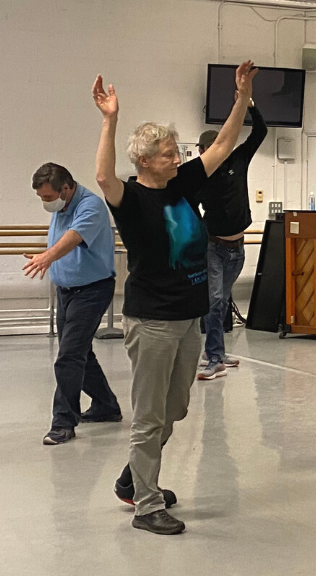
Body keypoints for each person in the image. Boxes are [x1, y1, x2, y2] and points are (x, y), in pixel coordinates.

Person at [92, 63, 255, 536]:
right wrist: (110, 119)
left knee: (176, 409)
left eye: (175, 151)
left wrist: (241, 97)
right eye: (166, 154)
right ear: (145, 161)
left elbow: (222, 145)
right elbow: (103, 177)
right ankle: (146, 504)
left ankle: (132, 479)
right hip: (153, 321)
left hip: (190, 318)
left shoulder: (182, 184)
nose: (175, 157)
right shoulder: (130, 199)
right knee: (148, 417)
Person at [24, 162, 121, 445]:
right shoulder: (62, 204)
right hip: (67, 291)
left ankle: (63, 422)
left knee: (68, 356)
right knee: (80, 352)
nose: (45, 203)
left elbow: (73, 238)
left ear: (65, 189)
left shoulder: (90, 206)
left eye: (48, 197)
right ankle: (107, 406)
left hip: (92, 290)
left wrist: (46, 257)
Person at [195, 99, 267, 380]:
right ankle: (214, 358)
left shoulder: (238, 159)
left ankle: (216, 351)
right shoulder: (199, 174)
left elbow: (259, 132)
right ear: (201, 152)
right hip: (213, 246)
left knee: (221, 302)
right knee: (214, 302)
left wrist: (250, 104)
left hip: (237, 249)